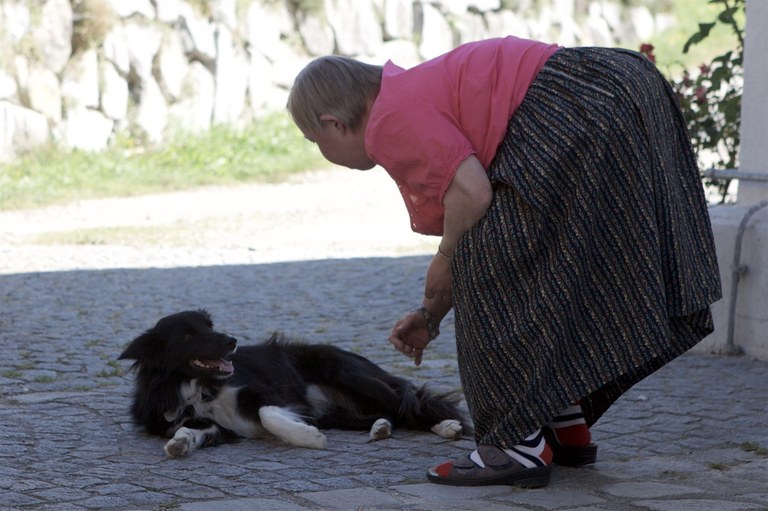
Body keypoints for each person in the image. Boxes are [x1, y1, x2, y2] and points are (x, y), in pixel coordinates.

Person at [286, 36, 721, 488]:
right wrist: (431, 313)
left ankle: (514, 445)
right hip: (617, 87)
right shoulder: (410, 93)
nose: (321, 151)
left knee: (486, 261)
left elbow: (472, 194)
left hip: (582, 100)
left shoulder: (389, 118)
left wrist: (445, 257)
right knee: (545, 262)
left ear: (332, 124)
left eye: (313, 140)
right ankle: (560, 417)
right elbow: (473, 202)